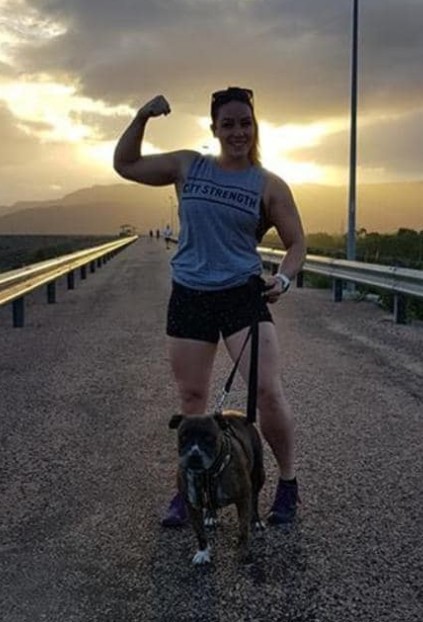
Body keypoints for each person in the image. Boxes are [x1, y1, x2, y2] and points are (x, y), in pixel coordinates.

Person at [114, 87, 306, 527]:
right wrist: (142, 115)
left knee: (266, 392)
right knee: (193, 399)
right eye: (228, 124)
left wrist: (283, 278)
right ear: (214, 129)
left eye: (245, 123)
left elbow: (297, 243)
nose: (237, 131)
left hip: (243, 294)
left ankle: (288, 485)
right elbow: (125, 164)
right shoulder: (188, 166)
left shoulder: (269, 185)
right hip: (191, 294)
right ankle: (189, 490)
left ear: (254, 126)